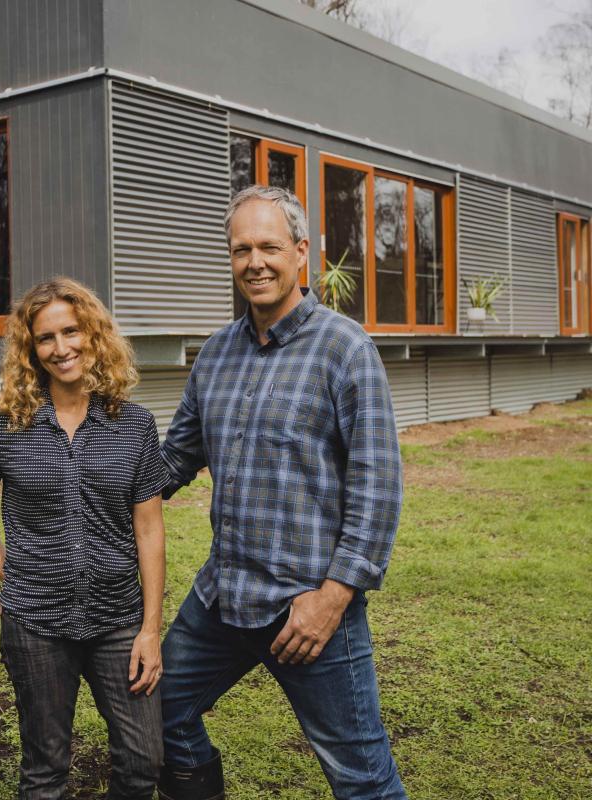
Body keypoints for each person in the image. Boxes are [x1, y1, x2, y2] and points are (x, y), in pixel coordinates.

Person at [157, 186, 407, 800]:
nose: (254, 261)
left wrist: (332, 599)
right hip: (223, 597)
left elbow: (377, 486)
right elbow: (171, 461)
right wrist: (89, 462)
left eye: (269, 246)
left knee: (362, 779)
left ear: (300, 254)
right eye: (241, 249)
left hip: (309, 611)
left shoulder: (345, 349)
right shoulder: (214, 355)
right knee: (156, 712)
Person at [0, 277, 167, 800]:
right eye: (45, 338)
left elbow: (149, 528)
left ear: (93, 336)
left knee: (144, 761)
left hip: (118, 618)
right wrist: (11, 571)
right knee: (45, 770)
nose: (61, 348)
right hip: (36, 625)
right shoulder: (5, 425)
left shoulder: (135, 425)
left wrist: (150, 629)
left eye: (71, 332)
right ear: (31, 350)